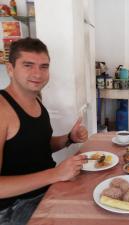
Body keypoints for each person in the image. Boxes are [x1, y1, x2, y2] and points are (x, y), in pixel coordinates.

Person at [0, 37, 88, 225]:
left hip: (47, 189)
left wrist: (69, 138)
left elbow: (37, 147)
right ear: (10, 69)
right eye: (28, 65)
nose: (37, 74)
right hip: (13, 208)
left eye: (44, 67)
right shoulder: (2, 109)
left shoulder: (36, 99)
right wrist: (56, 174)